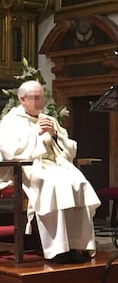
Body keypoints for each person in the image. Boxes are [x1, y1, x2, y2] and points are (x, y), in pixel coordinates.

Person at [0, 80, 101, 264]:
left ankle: (77, 245)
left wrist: (54, 134)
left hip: (55, 164)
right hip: (29, 168)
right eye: (36, 98)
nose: (41, 102)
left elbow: (69, 150)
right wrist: (36, 134)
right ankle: (58, 249)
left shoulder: (49, 119)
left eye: (42, 97)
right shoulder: (10, 121)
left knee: (78, 182)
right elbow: (9, 152)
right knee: (54, 186)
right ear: (22, 99)